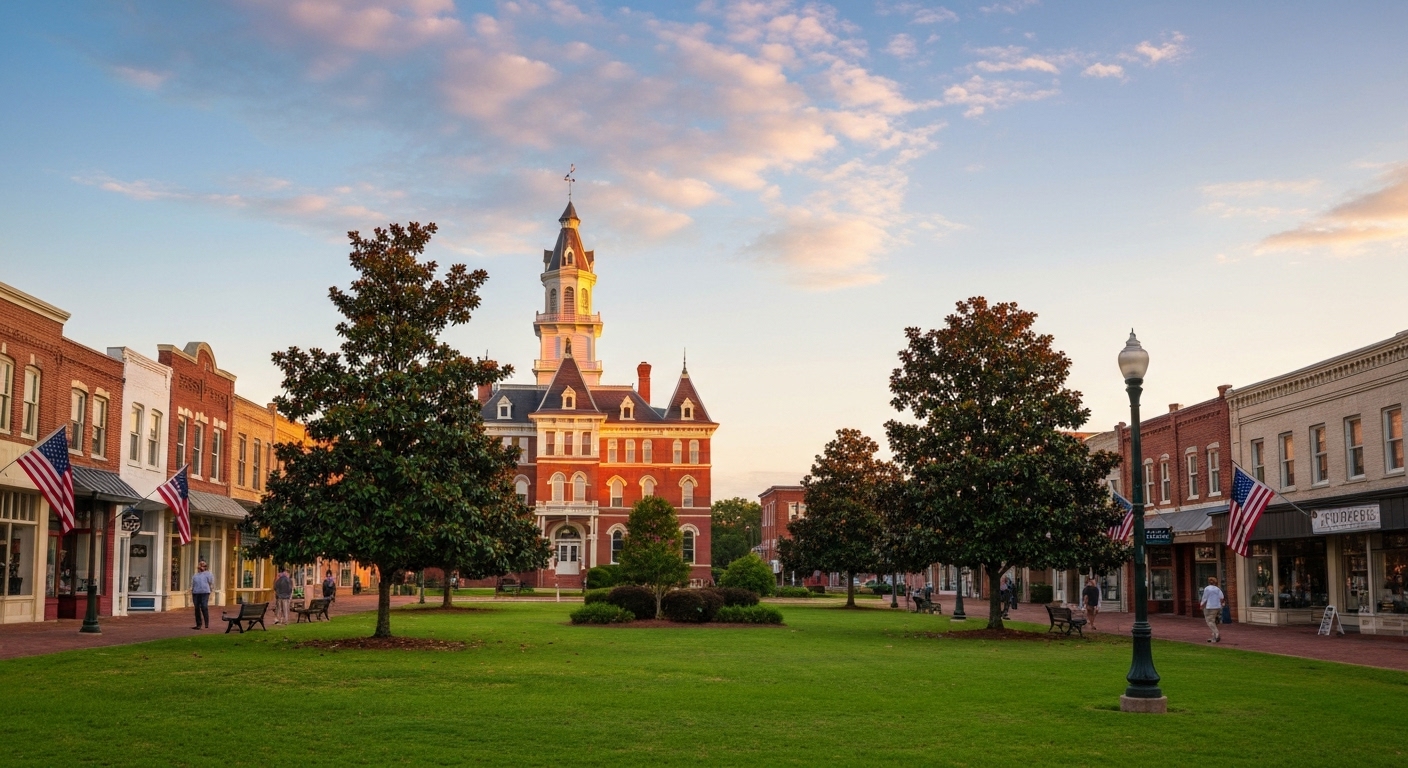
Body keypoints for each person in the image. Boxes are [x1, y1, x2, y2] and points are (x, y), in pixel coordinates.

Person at [1200, 576, 1225, 643]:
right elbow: (1222, 598)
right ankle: (1214, 636)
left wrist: (1202, 605)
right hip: (1217, 607)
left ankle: (1216, 634)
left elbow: (1205, 598)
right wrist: (1222, 604)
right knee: (1214, 621)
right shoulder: (1217, 589)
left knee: (1209, 621)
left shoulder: (1207, 588)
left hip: (1209, 606)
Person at [190, 560, 214, 630]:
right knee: (197, 608)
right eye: (200, 565)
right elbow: (192, 584)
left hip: (205, 592)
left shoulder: (208, 574)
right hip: (196, 593)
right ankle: (198, 624)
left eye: (203, 565)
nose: (201, 566)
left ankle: (206, 623)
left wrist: (211, 590)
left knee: (204, 606)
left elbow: (211, 582)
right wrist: (191, 590)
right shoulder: (195, 575)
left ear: (205, 567)